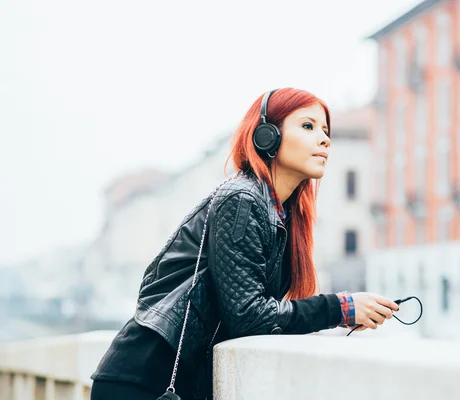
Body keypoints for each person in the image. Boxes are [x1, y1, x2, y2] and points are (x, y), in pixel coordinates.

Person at [89, 88, 400, 400]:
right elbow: (249, 315)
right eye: (308, 126)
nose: (324, 139)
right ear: (267, 136)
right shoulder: (241, 199)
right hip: (141, 382)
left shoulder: (281, 214)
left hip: (176, 384)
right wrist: (341, 308)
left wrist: (342, 314)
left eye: (325, 130)